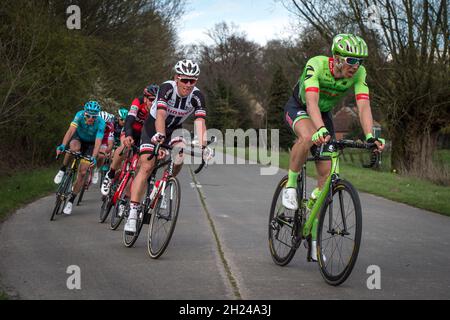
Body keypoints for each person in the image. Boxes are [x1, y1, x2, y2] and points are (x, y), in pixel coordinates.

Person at [281, 34, 385, 260]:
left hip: (324, 113)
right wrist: (319, 130)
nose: (355, 66)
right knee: (308, 137)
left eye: (360, 61)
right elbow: (311, 103)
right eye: (350, 60)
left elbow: (364, 106)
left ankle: (314, 240)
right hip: (300, 107)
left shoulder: (359, 74)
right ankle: (290, 184)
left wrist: (369, 136)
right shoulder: (316, 65)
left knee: (326, 176)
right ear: (336, 58)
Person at [124, 59, 212, 233]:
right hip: (153, 126)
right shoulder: (167, 88)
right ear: (177, 77)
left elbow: (200, 121)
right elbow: (161, 114)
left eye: (192, 81)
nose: (188, 84)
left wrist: (203, 146)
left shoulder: (197, 96)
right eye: (184, 79)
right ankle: (133, 213)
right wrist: (159, 136)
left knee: (179, 155)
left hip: (175, 129)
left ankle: (163, 184)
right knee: (147, 166)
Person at [100, 85, 159, 196]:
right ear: (145, 98)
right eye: (151, 99)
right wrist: (128, 135)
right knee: (123, 146)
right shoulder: (138, 102)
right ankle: (111, 174)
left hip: (144, 136)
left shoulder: (158, 109)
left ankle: (125, 199)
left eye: (156, 100)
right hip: (131, 129)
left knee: (138, 168)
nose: (153, 102)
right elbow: (129, 120)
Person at [54, 101, 105, 215]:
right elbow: (71, 131)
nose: (91, 118)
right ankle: (62, 169)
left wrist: (93, 157)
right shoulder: (79, 115)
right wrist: (63, 145)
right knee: (72, 149)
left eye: (94, 117)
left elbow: (98, 142)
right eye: (88, 116)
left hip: (91, 144)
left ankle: (71, 201)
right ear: (84, 113)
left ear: (97, 116)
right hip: (79, 138)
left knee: (82, 173)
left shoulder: (101, 123)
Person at [92, 111, 115, 184]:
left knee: (102, 156)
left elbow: (110, 144)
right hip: (93, 139)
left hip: (103, 141)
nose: (103, 124)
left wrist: (106, 152)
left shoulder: (110, 127)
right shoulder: (93, 122)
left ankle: (97, 170)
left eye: (105, 123)